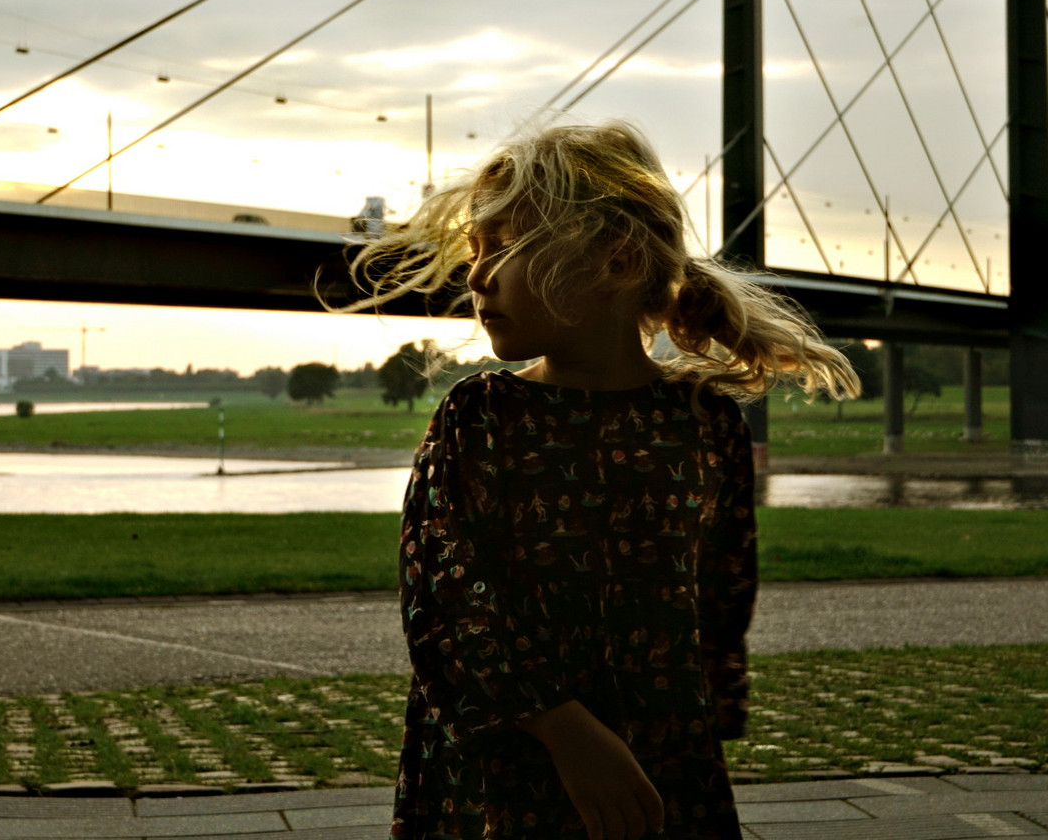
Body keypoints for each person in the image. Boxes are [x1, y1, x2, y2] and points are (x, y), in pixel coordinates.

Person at [344, 120, 858, 840]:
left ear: (616, 262)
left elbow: (722, 587)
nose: (476, 276)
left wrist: (702, 718)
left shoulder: (706, 423)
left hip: (659, 762)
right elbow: (445, 601)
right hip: (505, 766)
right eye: (475, 251)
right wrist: (564, 729)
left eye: (507, 248)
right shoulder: (484, 417)